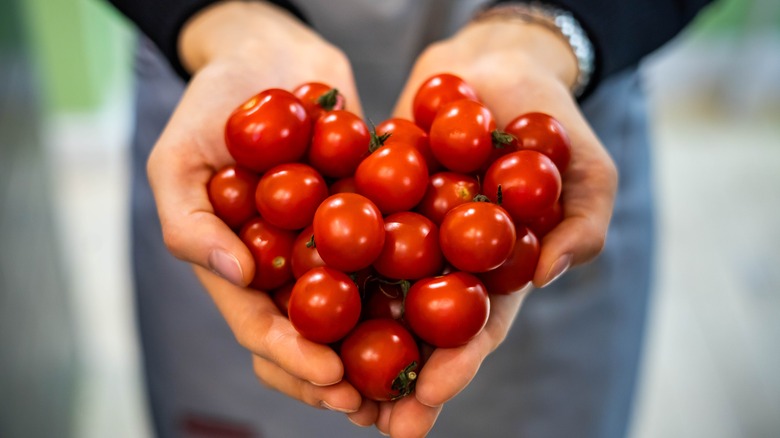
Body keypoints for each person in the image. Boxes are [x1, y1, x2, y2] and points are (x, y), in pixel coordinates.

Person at [107, 0, 713, 436]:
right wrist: (217, 16)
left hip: (556, 83)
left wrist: (556, 28)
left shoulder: (497, 181)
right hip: (216, 81)